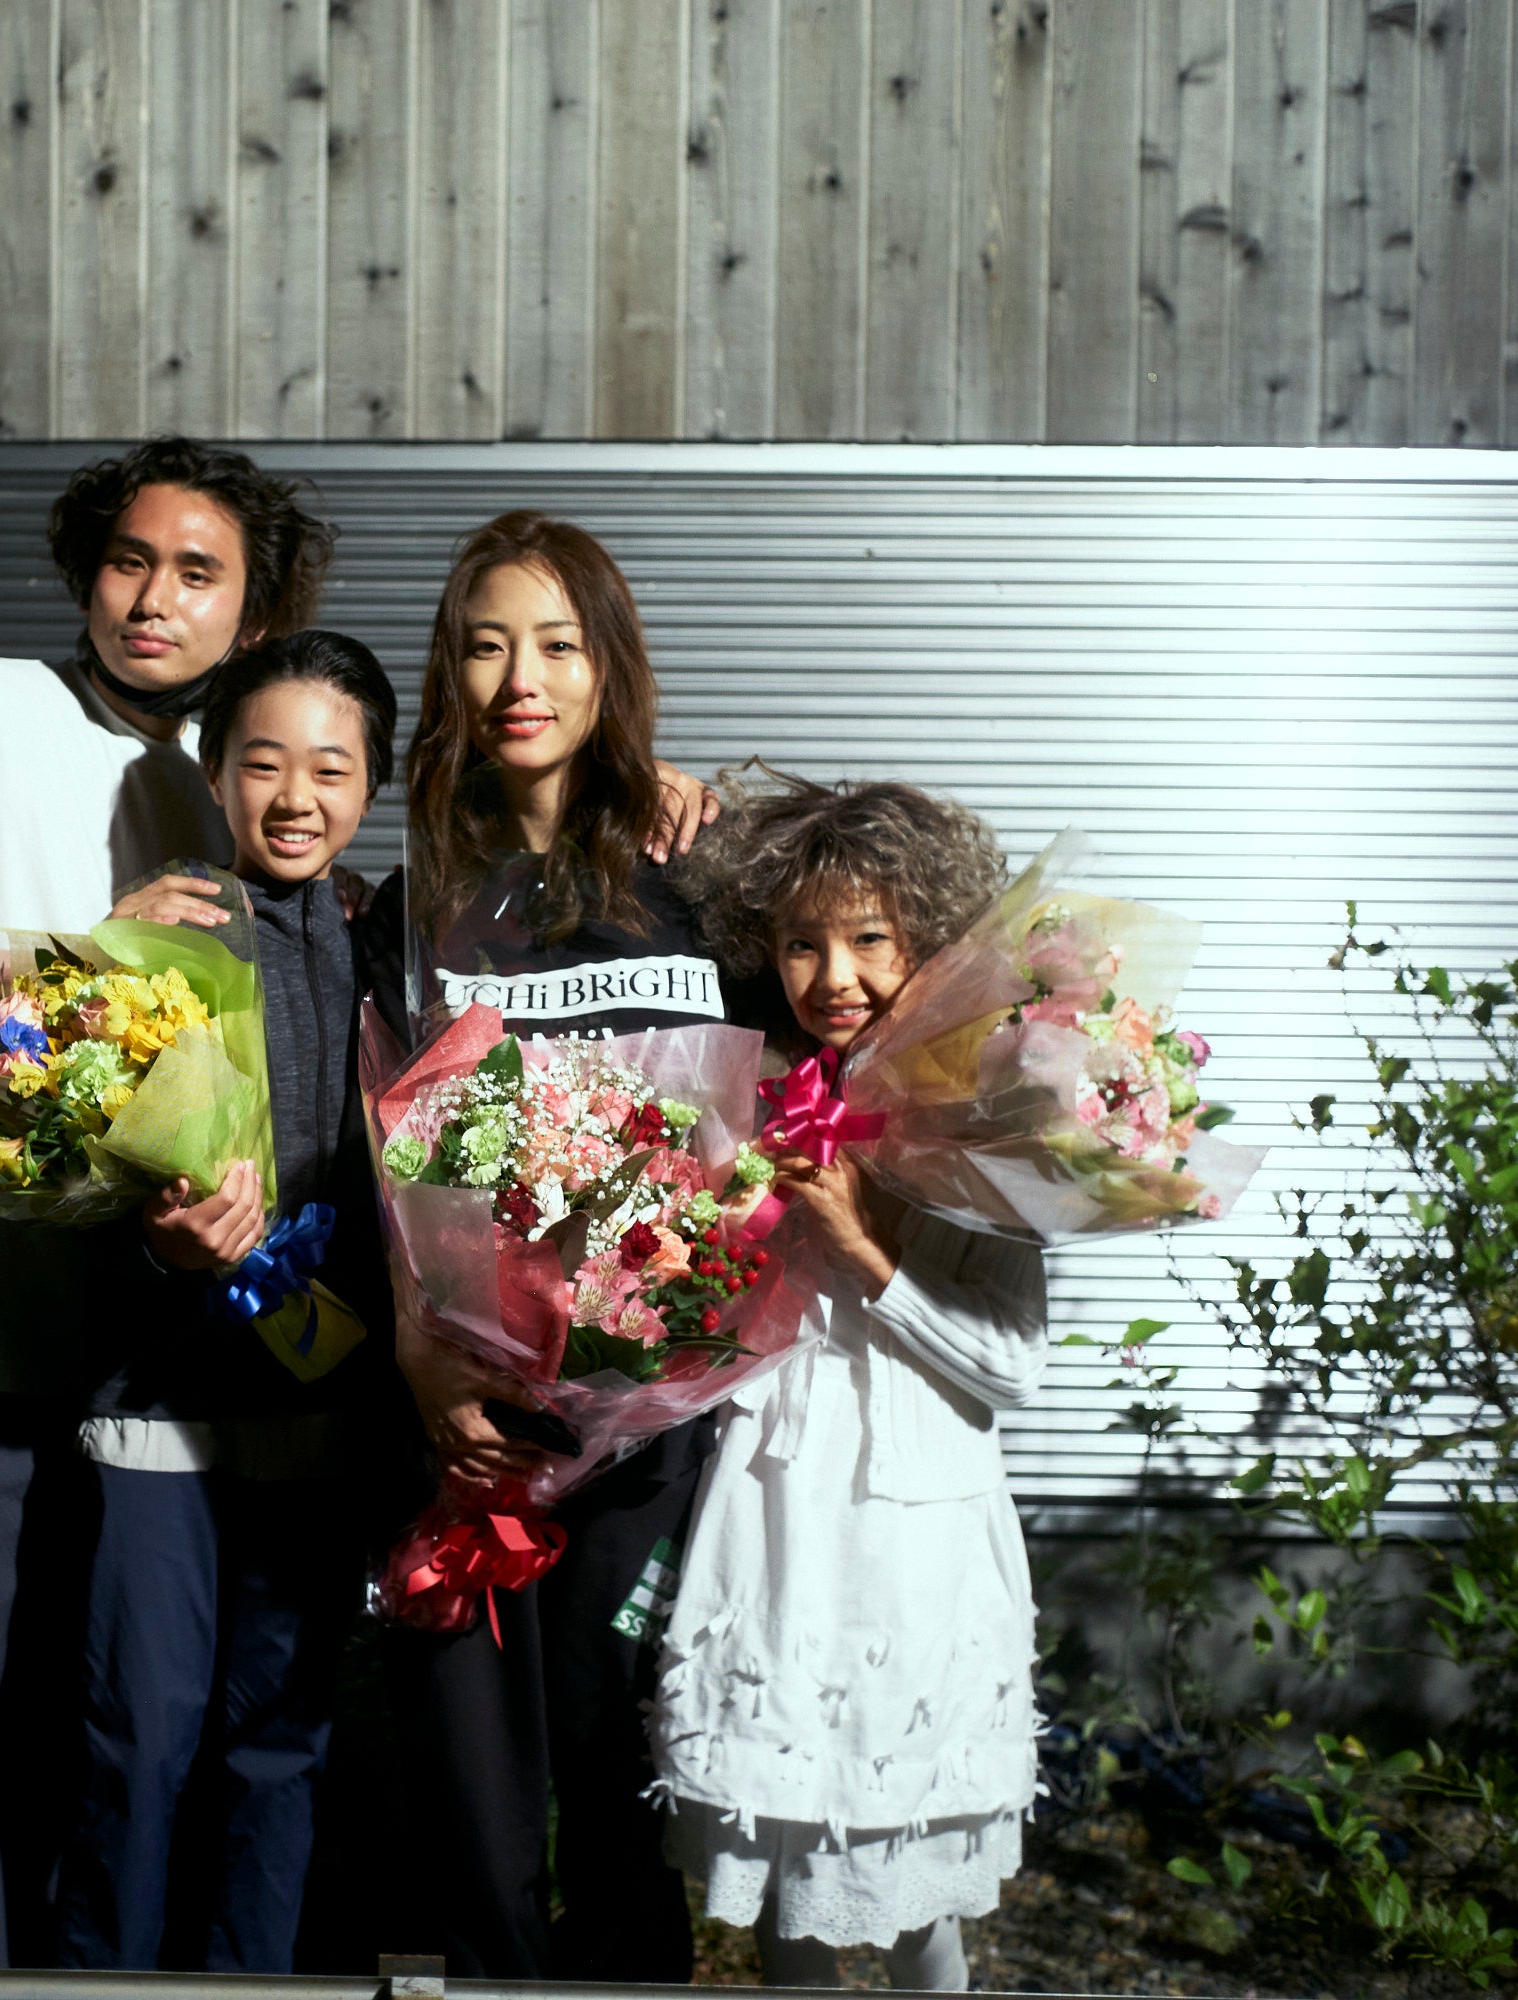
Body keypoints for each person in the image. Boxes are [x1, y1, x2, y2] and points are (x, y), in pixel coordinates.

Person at [0, 437, 336, 1967]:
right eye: (127, 561)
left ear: (253, 611)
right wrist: (87, 954)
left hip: (155, 1363)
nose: (153, 599)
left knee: (114, 1743)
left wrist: (644, 791)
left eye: (197, 574)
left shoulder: (247, 775)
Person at [363, 512, 741, 1982]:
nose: (520, 679)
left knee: (620, 1764)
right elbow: (377, 1147)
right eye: (485, 646)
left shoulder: (697, 874)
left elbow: (783, 1113)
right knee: (471, 1798)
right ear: (450, 675)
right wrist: (420, 1360)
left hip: (654, 1421)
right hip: (474, 1415)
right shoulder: (412, 902)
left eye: (557, 645)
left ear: (607, 667)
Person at [653, 776, 1048, 1993]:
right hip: (775, 1506)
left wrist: (864, 1245)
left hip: (916, 1529)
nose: (837, 975)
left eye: (872, 937)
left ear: (929, 939)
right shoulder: (744, 1097)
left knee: (918, 1882)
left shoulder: (990, 1110)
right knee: (784, 1869)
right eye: (801, 943)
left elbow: (1010, 1365)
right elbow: (697, 1320)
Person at [55, 630, 404, 1973]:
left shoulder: (383, 949)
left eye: (331, 768)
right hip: (160, 1413)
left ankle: (253, 1994)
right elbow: (70, 1186)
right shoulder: (153, 937)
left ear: (371, 784)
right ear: (211, 771)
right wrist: (163, 1247)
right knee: (135, 1743)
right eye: (263, 762)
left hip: (317, 1413)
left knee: (282, 1743)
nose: (295, 796)